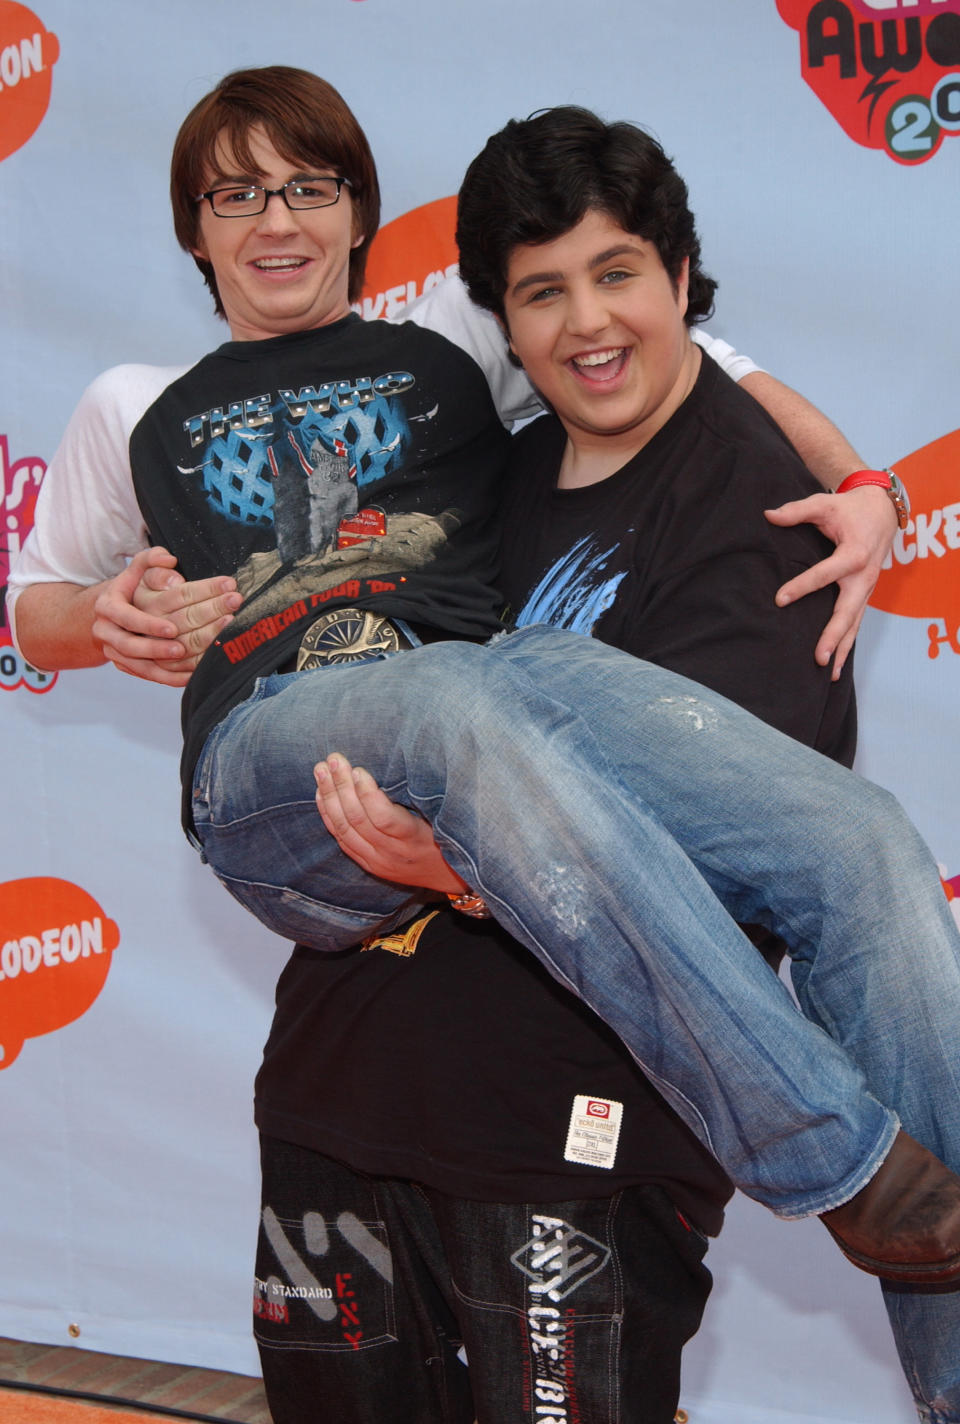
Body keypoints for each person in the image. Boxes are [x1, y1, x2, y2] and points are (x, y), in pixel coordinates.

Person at [7, 67, 959, 1415]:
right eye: (235, 195)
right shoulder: (129, 402)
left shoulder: (448, 335)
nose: (274, 220)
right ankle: (834, 1155)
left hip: (479, 711)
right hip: (274, 765)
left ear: (356, 215)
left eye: (308, 186)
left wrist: (865, 486)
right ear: (194, 231)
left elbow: (703, 354)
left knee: (856, 837)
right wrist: (99, 616)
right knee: (465, 698)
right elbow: (29, 606)